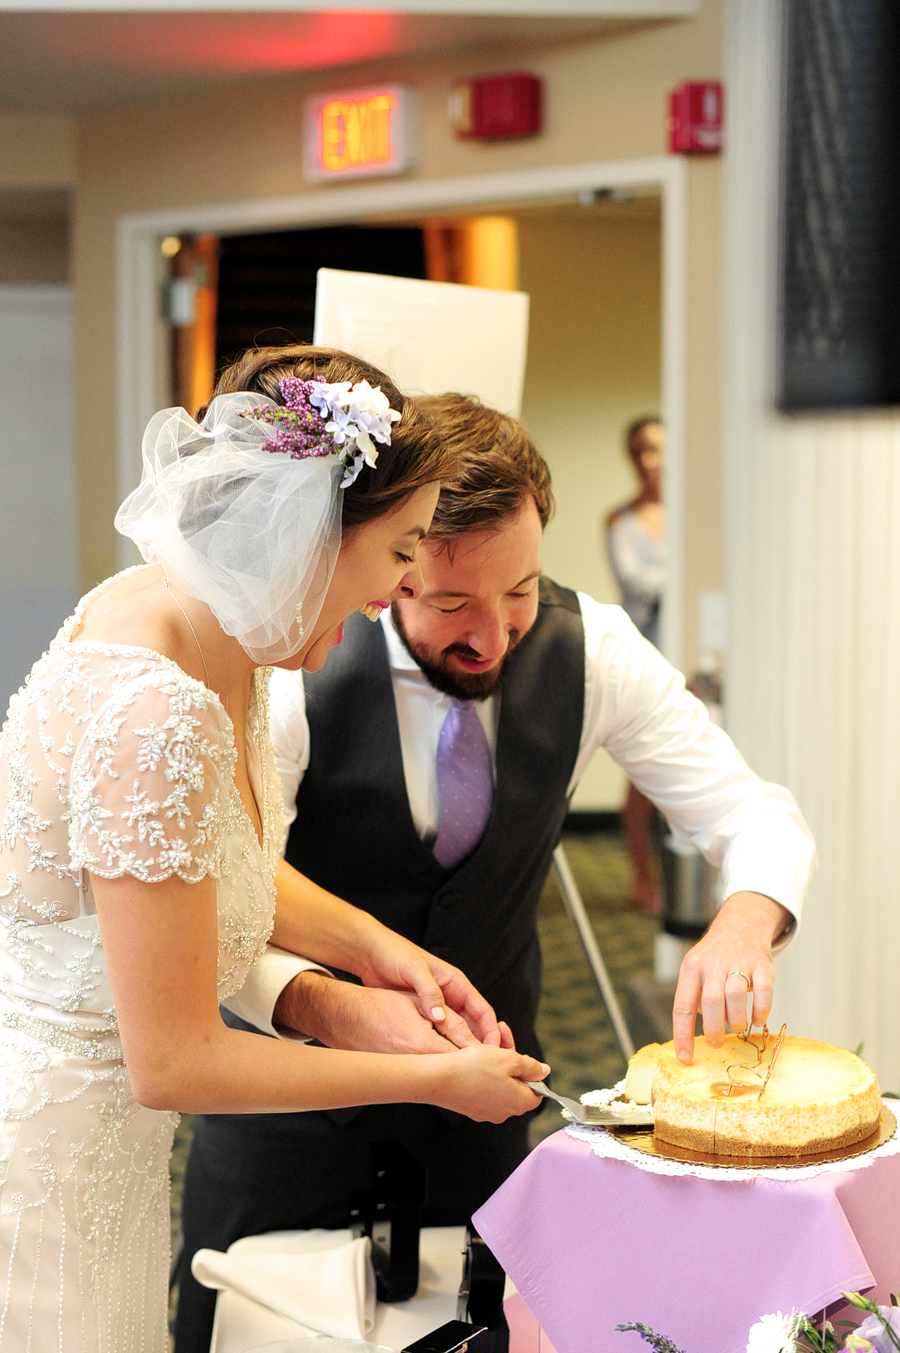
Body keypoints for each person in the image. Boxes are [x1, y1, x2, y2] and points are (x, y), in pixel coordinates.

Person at [175, 393, 816, 1353]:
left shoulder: (592, 646)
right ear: (390, 564)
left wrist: (742, 921)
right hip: (285, 1123)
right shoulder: (290, 669)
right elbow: (229, 897)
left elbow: (753, 811)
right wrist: (328, 1004)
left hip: (483, 1127)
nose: (495, 634)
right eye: (450, 604)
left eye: (519, 589)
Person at [0, 350, 548, 1353]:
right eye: (400, 552)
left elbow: (208, 862)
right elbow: (174, 1060)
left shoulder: (222, 639)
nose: (400, 592)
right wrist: (427, 1080)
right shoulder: (152, 708)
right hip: (49, 1174)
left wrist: (384, 952)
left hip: (109, 1164)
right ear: (308, 534)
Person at [605, 416, 667, 911]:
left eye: (659, 449)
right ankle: (643, 877)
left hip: (691, 656)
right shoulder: (620, 522)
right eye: (641, 451)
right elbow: (637, 587)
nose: (651, 461)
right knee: (642, 776)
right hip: (649, 653)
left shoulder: (696, 514)